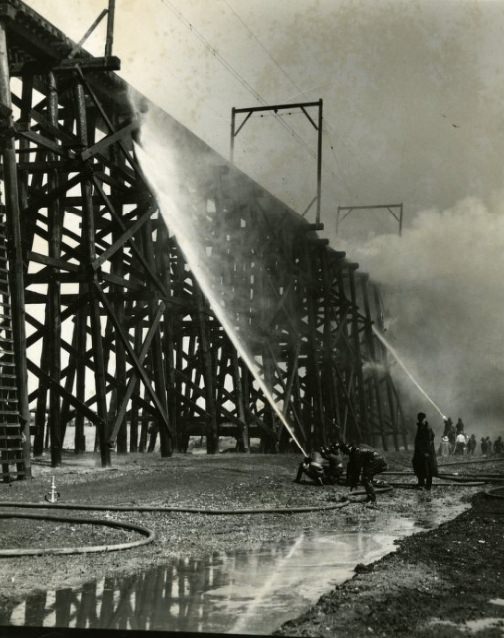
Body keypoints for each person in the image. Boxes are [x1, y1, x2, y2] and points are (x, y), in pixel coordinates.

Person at [412, 412, 438, 490]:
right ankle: (421, 483)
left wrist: (426, 452)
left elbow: (428, 440)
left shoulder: (427, 428)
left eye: (421, 419)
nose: (420, 421)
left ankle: (427, 486)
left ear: (424, 419)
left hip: (426, 452)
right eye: (419, 420)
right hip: (420, 452)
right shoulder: (421, 426)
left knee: (428, 469)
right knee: (419, 466)